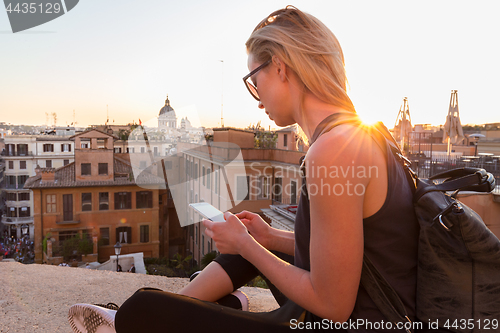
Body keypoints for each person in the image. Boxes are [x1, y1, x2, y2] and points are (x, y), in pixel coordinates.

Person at [68, 6, 419, 333]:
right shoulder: (361, 134)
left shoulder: (332, 152)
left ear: (280, 67)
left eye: (254, 79)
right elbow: (347, 253)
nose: (256, 96)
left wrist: (249, 248)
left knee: (145, 308)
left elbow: (333, 306)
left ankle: (132, 322)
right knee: (248, 243)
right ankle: (215, 302)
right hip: (378, 310)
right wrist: (264, 239)